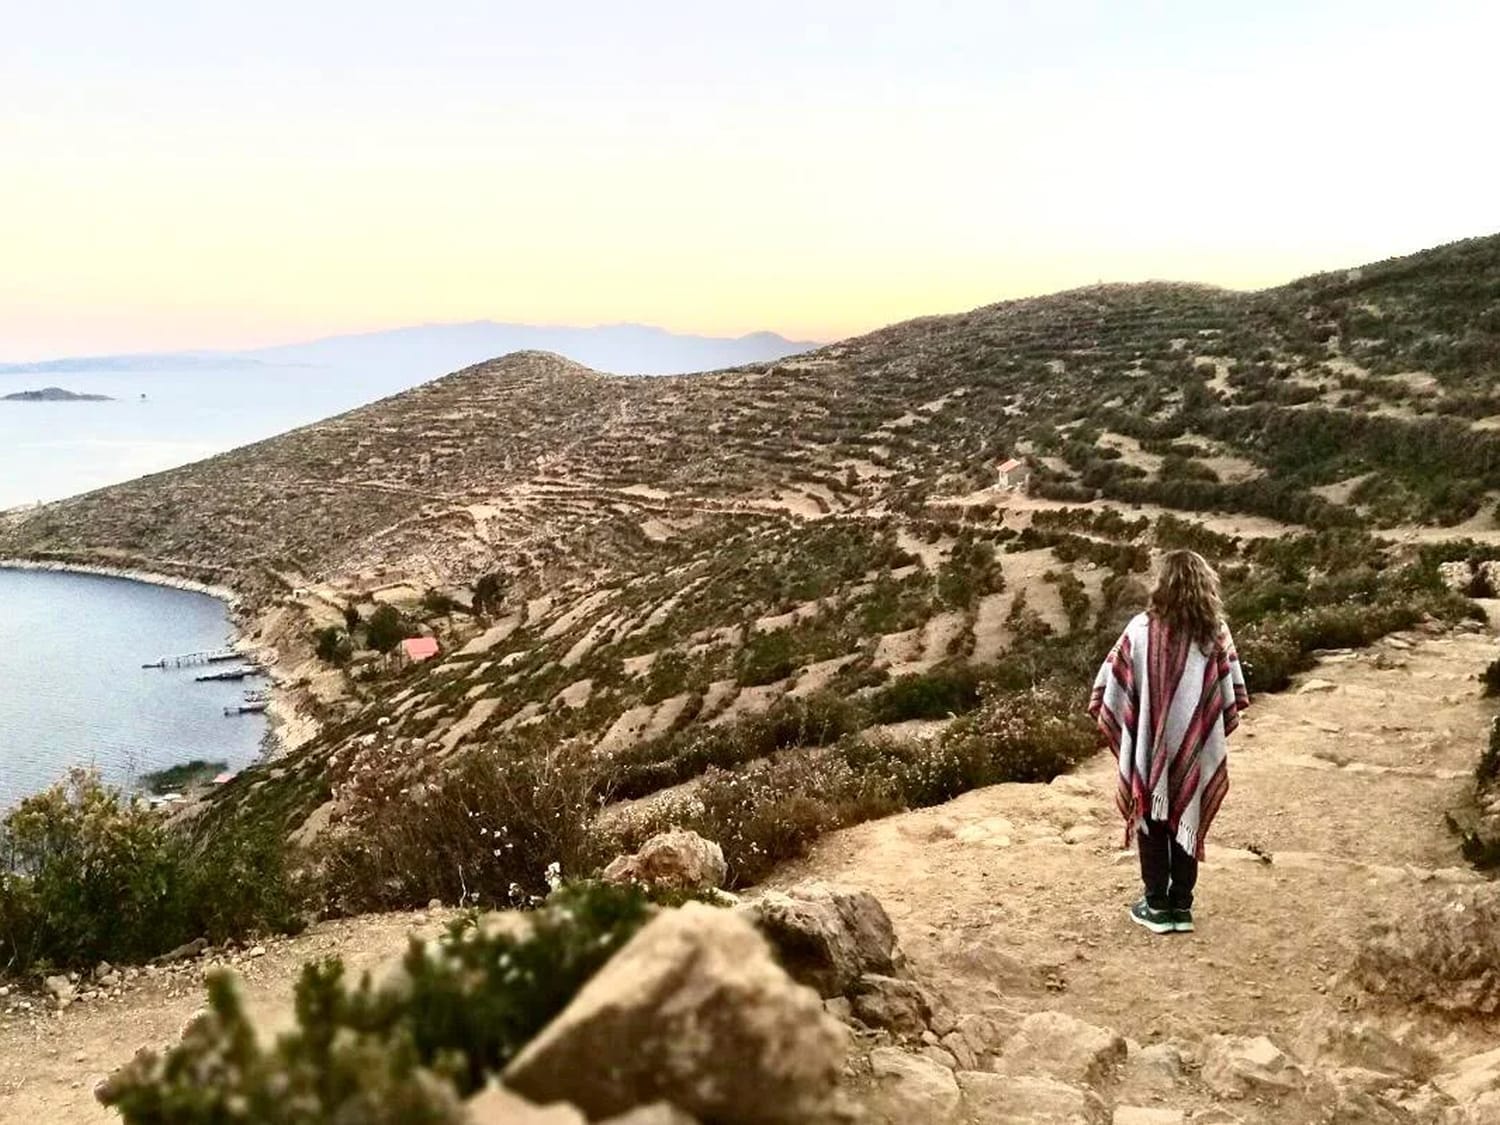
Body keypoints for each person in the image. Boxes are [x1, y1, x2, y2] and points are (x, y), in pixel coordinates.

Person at [1088, 549, 1249, 935]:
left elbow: (1109, 688)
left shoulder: (1140, 629)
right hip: (1194, 747)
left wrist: (1140, 727)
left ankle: (1156, 904)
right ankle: (1182, 906)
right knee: (1187, 809)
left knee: (1151, 812)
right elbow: (1230, 695)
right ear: (1205, 585)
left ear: (1163, 584)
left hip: (1149, 743)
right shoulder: (1215, 633)